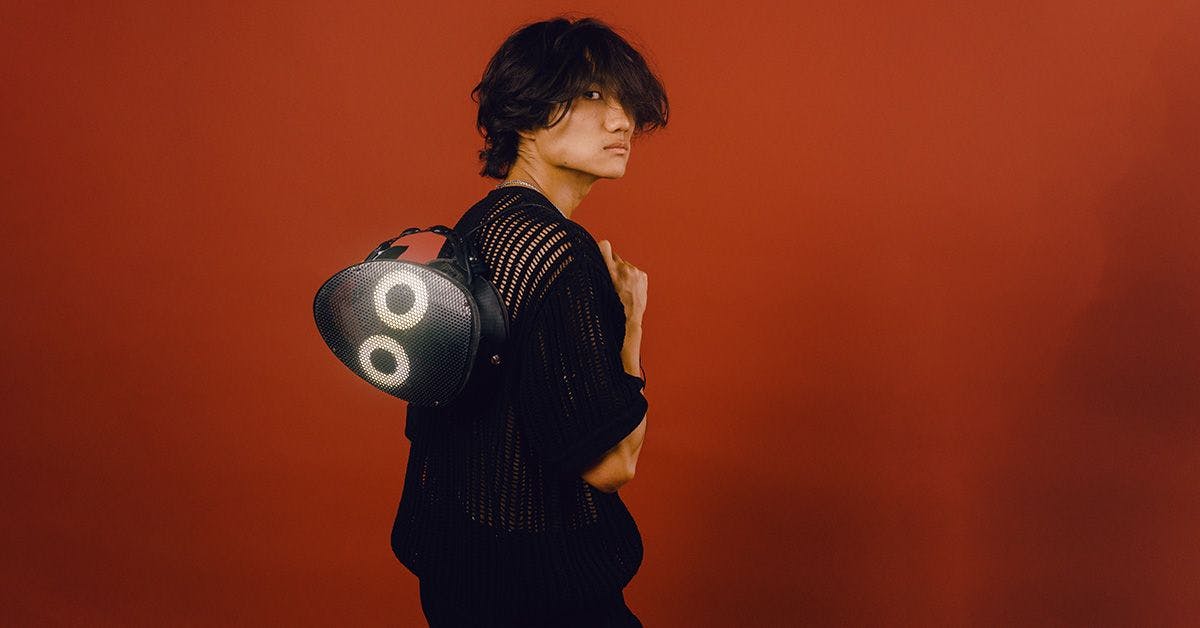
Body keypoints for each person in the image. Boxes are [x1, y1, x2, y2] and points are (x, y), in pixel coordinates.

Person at [389, 15, 669, 628]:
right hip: (545, 597)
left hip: (459, 582)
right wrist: (631, 324)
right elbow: (612, 465)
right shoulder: (557, 251)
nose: (621, 122)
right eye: (591, 95)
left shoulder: (477, 228)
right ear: (525, 112)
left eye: (626, 102)